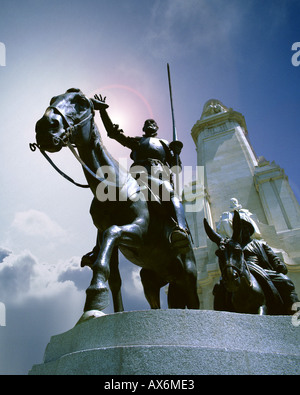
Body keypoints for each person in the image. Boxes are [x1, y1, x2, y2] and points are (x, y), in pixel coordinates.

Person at [92, 94, 190, 253]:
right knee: (110, 198)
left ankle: (181, 229)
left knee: (171, 195)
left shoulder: (165, 144)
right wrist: (103, 111)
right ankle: (98, 249)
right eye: (147, 123)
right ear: (143, 129)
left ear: (157, 129)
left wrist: (176, 153)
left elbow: (175, 168)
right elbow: (113, 133)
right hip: (137, 176)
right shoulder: (138, 141)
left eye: (153, 123)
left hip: (159, 176)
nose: (150, 124)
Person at [239, 217, 299, 314]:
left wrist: (278, 263)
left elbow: (273, 257)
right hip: (241, 271)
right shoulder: (234, 246)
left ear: (250, 230)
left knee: (285, 281)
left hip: (262, 271)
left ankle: (296, 311)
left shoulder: (260, 244)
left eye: (246, 228)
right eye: (241, 229)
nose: (244, 230)